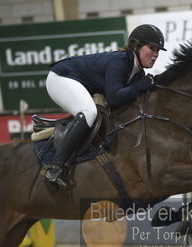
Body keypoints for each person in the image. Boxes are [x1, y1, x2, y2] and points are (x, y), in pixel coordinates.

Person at [45, 24, 166, 188]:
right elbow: (115, 98)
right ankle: (55, 166)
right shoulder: (120, 61)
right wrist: (141, 86)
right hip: (61, 77)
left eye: (158, 51)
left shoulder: (138, 73)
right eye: (152, 48)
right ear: (135, 45)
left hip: (77, 81)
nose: (155, 55)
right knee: (89, 112)